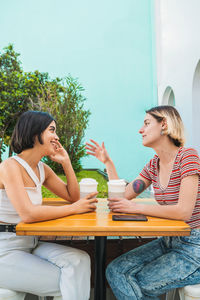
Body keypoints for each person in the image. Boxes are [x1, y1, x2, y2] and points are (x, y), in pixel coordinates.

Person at [86, 105, 200, 300]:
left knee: (138, 284)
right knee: (115, 271)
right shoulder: (153, 165)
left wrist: (136, 207)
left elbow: (183, 212)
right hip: (169, 241)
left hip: (194, 246)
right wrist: (108, 163)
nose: (140, 130)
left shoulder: (187, 157)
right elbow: (121, 198)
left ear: (164, 124)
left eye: (147, 123)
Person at [0, 110, 98, 300]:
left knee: (80, 260)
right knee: (70, 282)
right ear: (35, 134)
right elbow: (28, 214)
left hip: (30, 243)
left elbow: (72, 196)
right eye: (52, 130)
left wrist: (66, 163)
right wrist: (74, 209)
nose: (57, 136)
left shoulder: (41, 168)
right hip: (5, 250)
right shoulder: (9, 167)